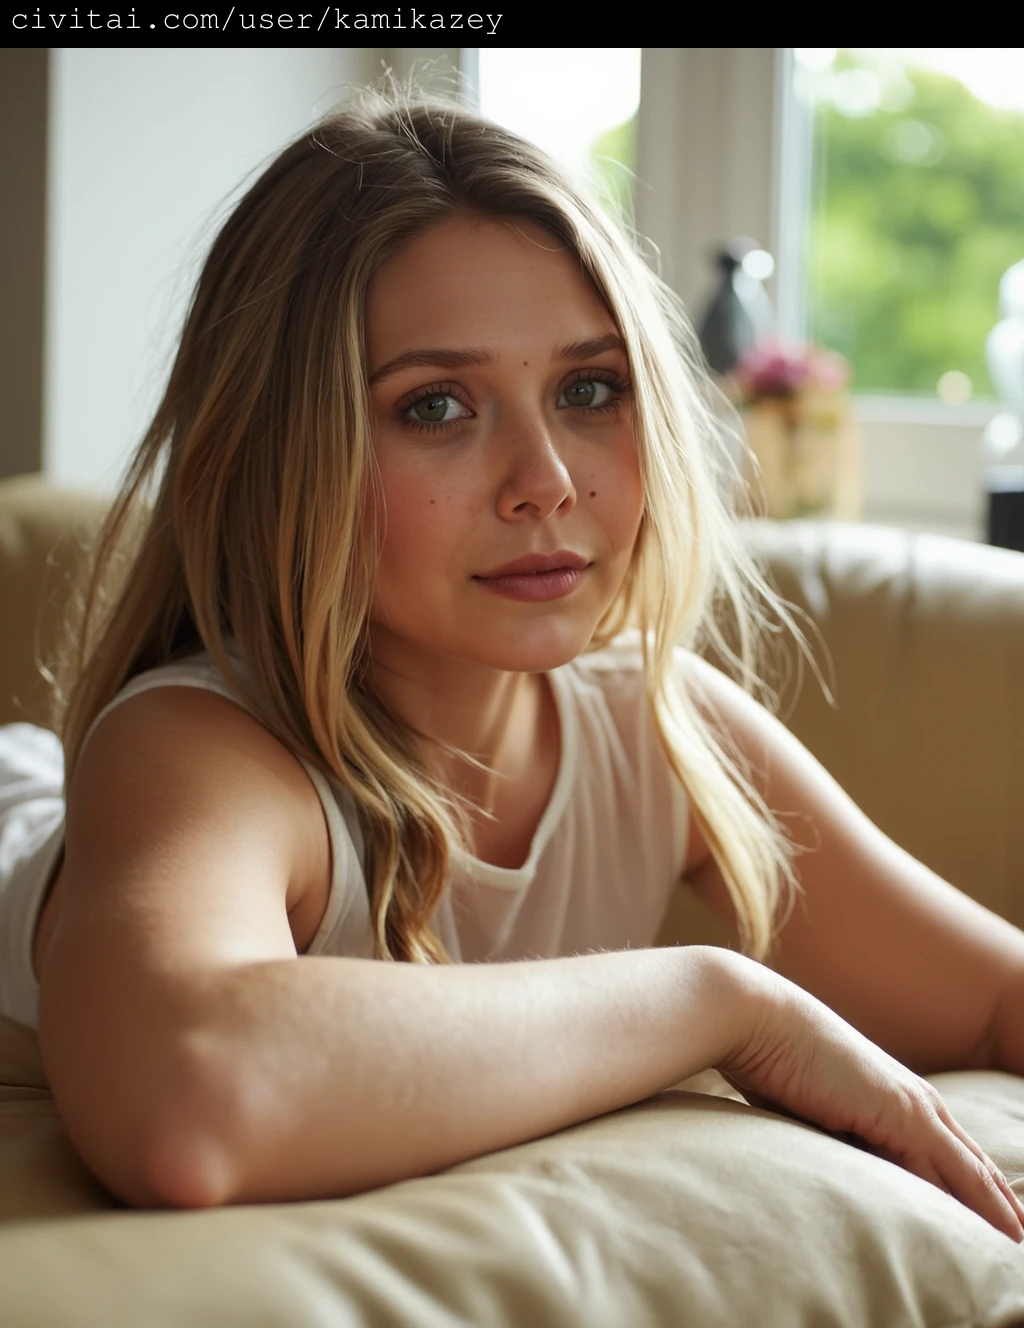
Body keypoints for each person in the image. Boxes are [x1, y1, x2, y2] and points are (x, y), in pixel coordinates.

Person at [2, 89, 1024, 1238]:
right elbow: (193, 1099)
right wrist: (718, 997)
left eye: (589, 389)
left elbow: (993, 997)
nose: (545, 477)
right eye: (435, 404)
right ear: (280, 456)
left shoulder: (655, 726)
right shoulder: (198, 752)